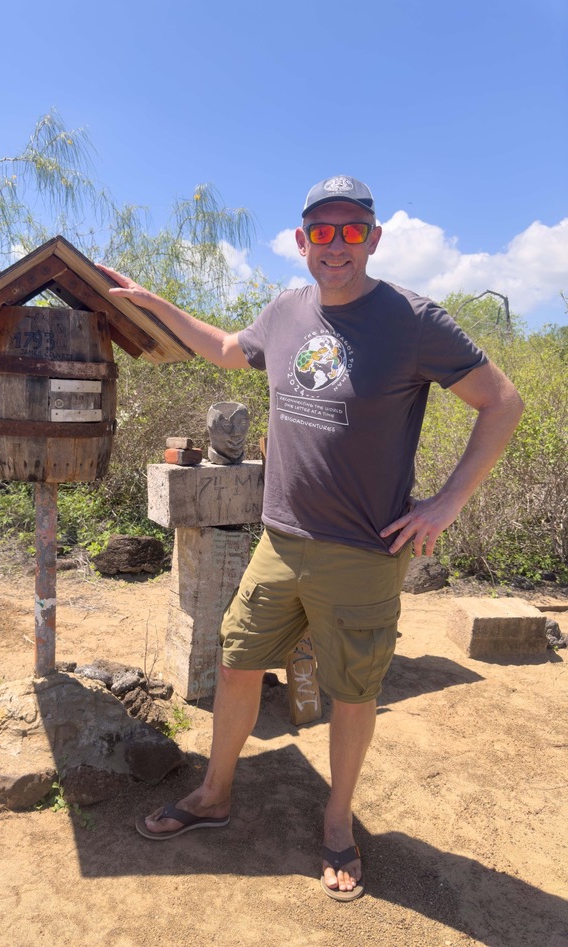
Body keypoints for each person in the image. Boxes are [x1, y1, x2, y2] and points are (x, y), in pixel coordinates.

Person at [100, 175, 524, 901]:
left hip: (363, 551)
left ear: (373, 239)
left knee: (352, 693)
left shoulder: (413, 320)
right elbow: (226, 348)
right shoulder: (286, 311)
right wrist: (153, 303)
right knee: (237, 662)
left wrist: (447, 503)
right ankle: (214, 794)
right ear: (302, 241)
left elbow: (502, 401)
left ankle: (336, 821)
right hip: (280, 541)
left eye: (351, 230)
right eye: (321, 231)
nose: (336, 244)